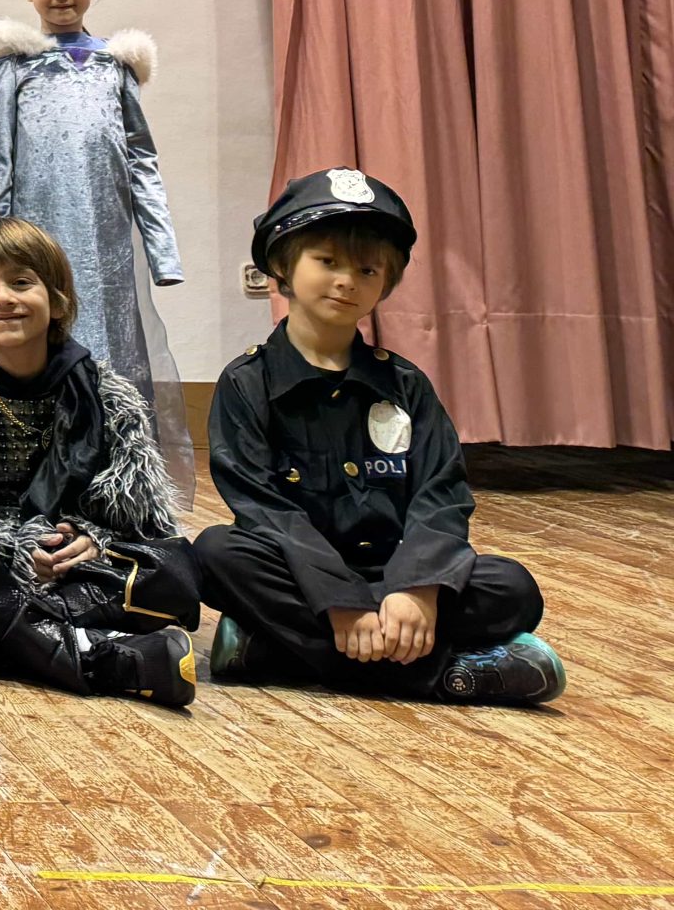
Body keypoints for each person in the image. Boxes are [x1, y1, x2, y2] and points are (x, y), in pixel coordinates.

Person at [194, 170, 565, 704]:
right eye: (327, 261)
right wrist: (339, 601)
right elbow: (264, 509)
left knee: (513, 588)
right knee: (216, 554)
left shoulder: (406, 384)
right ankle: (441, 675)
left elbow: (441, 495)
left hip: (398, 569)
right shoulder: (246, 383)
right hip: (300, 572)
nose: (347, 280)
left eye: (367, 269)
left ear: (385, 282)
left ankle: (275, 650)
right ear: (282, 265)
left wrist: (417, 590)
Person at [0, 217, 199, 707]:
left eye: (21, 282)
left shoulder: (106, 394)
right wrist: (6, 548)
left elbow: (145, 523)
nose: (3, 298)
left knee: (174, 571)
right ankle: (107, 657)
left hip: (75, 563)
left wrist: (93, 543)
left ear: (58, 300)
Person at [0, 0, 190, 489]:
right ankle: (41, 475)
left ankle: (119, 477)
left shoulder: (115, 67)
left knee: (112, 343)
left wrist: (162, 251)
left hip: (108, 244)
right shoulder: (13, 67)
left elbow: (141, 159)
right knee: (45, 339)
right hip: (38, 239)